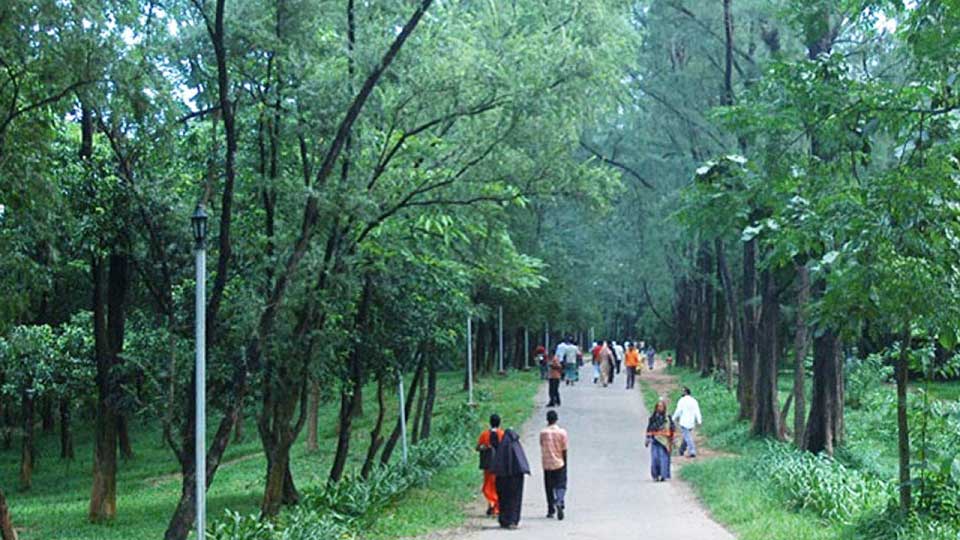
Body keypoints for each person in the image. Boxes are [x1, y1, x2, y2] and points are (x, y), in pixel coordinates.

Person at [491, 429, 530, 529]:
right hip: (516, 478)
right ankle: (513, 520)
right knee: (515, 499)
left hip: (502, 478)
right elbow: (522, 463)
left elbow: (496, 464)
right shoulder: (517, 447)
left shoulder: (502, 448)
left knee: (503, 499)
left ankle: (504, 520)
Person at [539, 410, 568, 521]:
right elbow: (564, 449)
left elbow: (542, 445)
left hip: (547, 463)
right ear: (556, 419)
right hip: (559, 462)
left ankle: (550, 510)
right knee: (561, 484)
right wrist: (565, 462)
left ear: (547, 420)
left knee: (549, 486)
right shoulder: (562, 433)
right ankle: (559, 501)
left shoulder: (543, 433)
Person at [476, 414, 506, 516]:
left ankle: (491, 503)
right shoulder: (502, 434)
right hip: (500, 465)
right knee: (498, 486)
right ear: (499, 423)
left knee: (488, 485)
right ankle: (496, 507)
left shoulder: (484, 434)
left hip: (488, 465)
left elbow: (478, 447)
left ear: (490, 422)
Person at [645, 398, 675, 482]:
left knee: (663, 459)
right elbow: (649, 428)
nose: (660, 408)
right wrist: (647, 438)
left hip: (664, 442)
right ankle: (655, 475)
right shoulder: (653, 418)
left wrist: (672, 440)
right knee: (655, 458)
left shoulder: (667, 418)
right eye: (658, 406)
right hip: (655, 440)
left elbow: (672, 428)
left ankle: (663, 475)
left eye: (661, 406)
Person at [673, 386, 703, 458]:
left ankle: (692, 451)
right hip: (691, 422)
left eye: (683, 391)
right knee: (686, 436)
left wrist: (673, 418)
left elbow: (678, 411)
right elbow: (697, 411)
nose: (682, 393)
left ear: (685, 392)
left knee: (687, 437)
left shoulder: (682, 400)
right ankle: (681, 450)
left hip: (684, 421)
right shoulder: (694, 401)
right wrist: (699, 421)